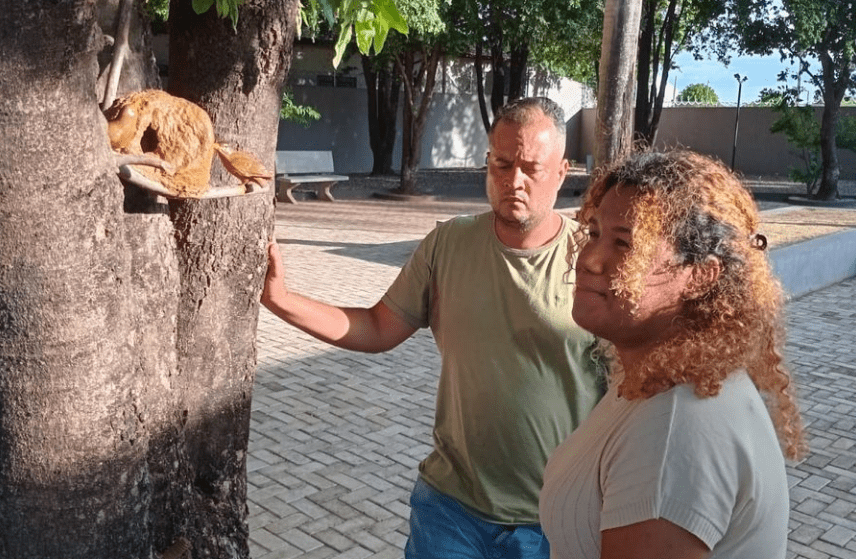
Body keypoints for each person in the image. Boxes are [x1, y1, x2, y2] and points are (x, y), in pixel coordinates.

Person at [261, 97, 604, 559]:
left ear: (562, 173)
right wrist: (281, 301)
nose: (513, 181)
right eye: (501, 164)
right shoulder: (449, 243)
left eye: (530, 168)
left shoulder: (592, 261)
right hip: (450, 513)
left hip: (555, 522)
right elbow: (379, 326)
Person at [539, 149, 807, 559]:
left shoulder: (673, 434)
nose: (590, 260)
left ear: (700, 276)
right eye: (593, 233)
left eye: (625, 244)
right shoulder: (666, 379)